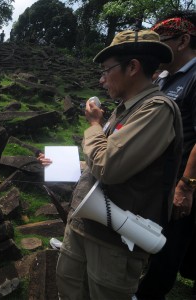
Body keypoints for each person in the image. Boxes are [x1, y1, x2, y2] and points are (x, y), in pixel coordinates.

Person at [55, 30, 183, 299]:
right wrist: (74, 163)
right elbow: (108, 161)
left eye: (107, 69)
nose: (102, 80)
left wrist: (93, 125)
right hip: (84, 225)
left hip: (111, 243)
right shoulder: (124, 108)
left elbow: (108, 167)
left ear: (133, 67)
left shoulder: (156, 110)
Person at [136, 12, 196, 299]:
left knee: (169, 247)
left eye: (161, 42)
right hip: (159, 179)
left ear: (183, 40)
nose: (155, 50)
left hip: (182, 182)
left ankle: (148, 295)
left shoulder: (195, 78)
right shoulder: (163, 79)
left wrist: (186, 184)